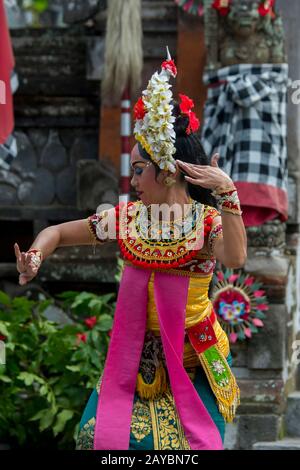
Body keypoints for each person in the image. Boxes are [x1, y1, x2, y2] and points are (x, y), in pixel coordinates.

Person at [14, 52, 247, 450]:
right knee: (96, 439)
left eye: (139, 170)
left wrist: (228, 193)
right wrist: (35, 256)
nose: (134, 180)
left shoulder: (205, 222)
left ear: (169, 171)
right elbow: (56, 232)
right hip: (135, 362)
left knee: (187, 449)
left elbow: (235, 258)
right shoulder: (128, 219)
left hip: (192, 363)